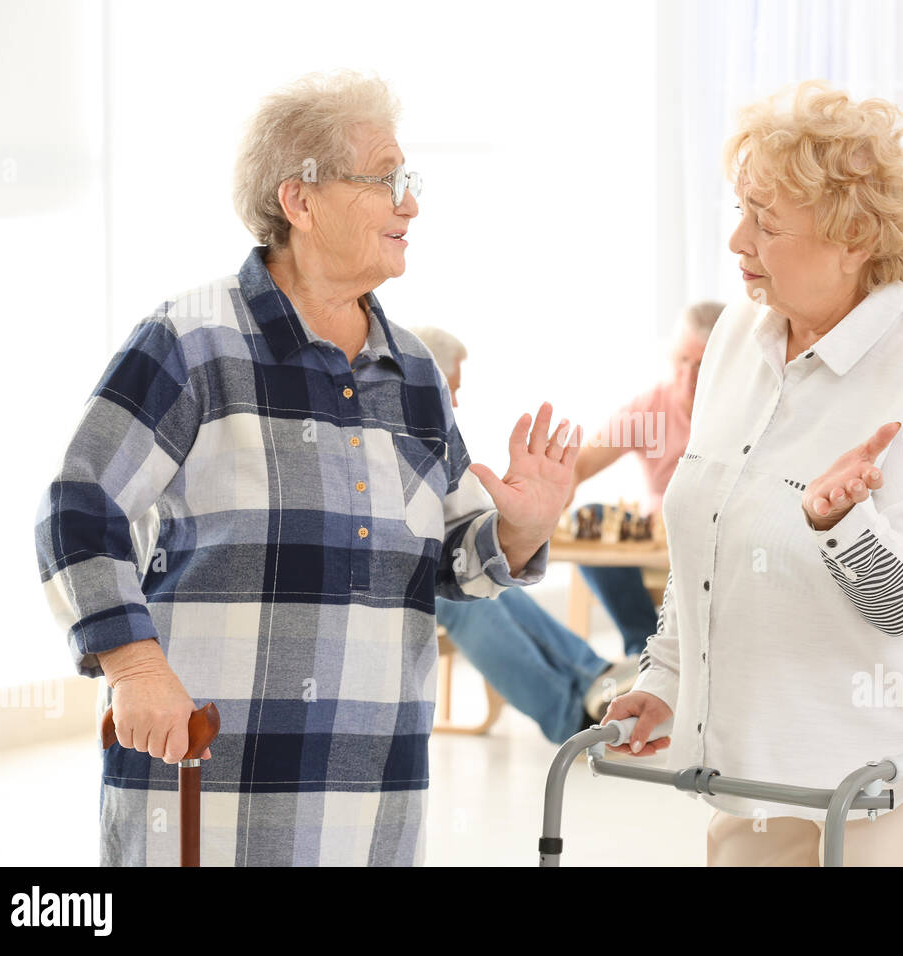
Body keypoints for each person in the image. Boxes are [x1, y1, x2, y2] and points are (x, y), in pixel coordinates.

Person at [33, 71, 579, 866]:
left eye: (409, 182)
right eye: (387, 181)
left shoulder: (414, 368)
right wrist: (133, 664)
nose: (411, 205)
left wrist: (520, 534)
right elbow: (78, 508)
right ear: (301, 200)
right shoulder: (191, 341)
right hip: (208, 787)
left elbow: (453, 560)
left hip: (372, 802)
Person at [603, 80, 903, 866]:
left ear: (853, 238)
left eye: (766, 223)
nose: (738, 242)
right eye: (739, 212)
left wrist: (841, 523)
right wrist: (665, 676)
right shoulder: (741, 336)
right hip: (759, 757)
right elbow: (709, 534)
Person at [408, 327, 639, 743]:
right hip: (400, 582)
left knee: (496, 579)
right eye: (452, 389)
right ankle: (572, 718)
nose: (455, 401)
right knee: (469, 599)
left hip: (430, 566)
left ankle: (594, 676)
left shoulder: (434, 440)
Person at [563, 303, 722, 655]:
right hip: (656, 533)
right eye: (682, 360)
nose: (689, 377)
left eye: (702, 364)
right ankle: (644, 647)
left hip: (720, 537)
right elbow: (583, 462)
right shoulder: (651, 407)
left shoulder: (744, 406)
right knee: (588, 519)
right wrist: (553, 498)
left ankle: (699, 655)